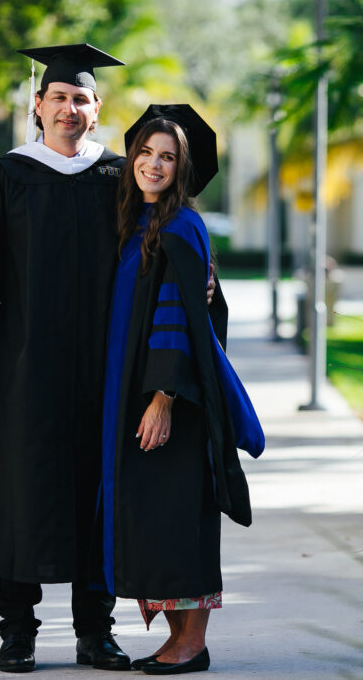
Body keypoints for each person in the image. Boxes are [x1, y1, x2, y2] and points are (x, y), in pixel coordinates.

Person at [0, 44, 134, 673]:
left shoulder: (118, 178)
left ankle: (96, 632)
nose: (69, 108)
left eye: (81, 99)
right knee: (20, 492)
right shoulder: (5, 176)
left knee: (97, 492)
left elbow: (162, 248)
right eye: (59, 97)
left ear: (98, 109)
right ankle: (18, 633)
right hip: (25, 363)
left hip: (103, 366)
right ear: (37, 106)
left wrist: (202, 277)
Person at [99, 104, 264, 676]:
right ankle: (177, 641)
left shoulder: (181, 225)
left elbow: (179, 318)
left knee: (177, 517)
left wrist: (162, 398)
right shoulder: (137, 224)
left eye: (167, 157)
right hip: (133, 395)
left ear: (183, 169)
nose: (152, 163)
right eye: (144, 152)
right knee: (155, 517)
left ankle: (192, 645)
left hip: (169, 402)